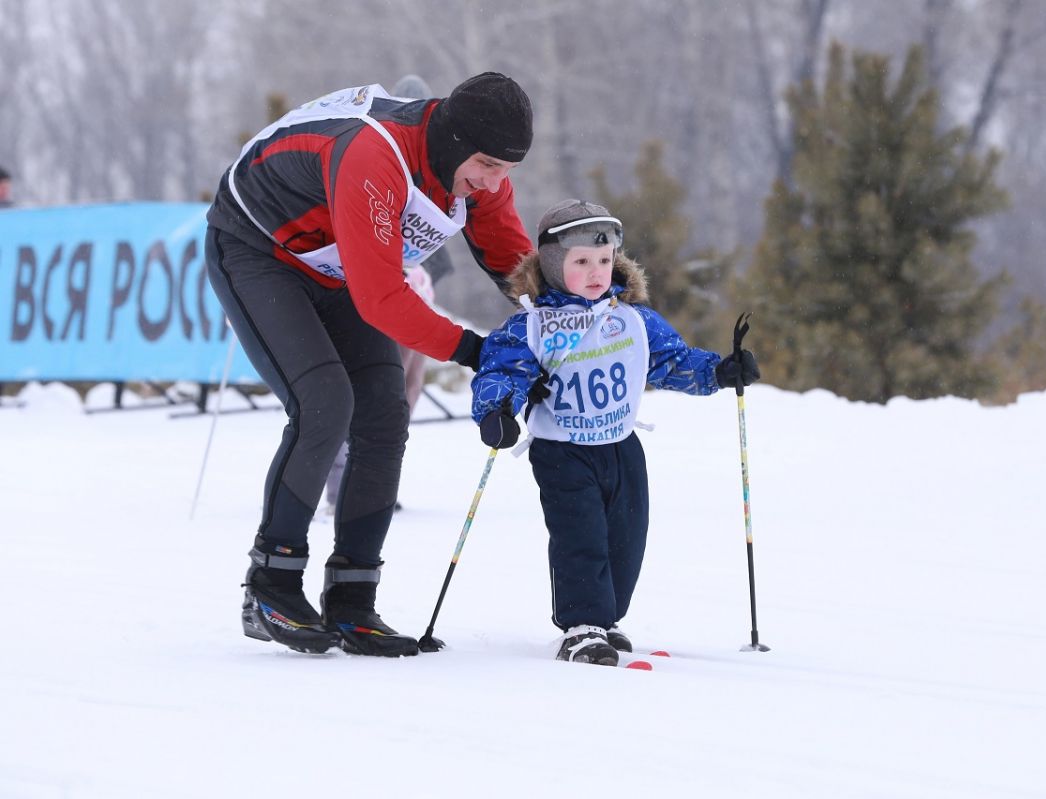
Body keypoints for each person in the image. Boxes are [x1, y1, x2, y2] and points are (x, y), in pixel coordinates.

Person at [204, 72, 534, 658]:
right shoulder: (373, 154)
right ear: (455, 142)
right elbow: (381, 300)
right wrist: (479, 353)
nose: (492, 183)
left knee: (384, 413)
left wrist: (568, 320)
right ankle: (271, 584)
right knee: (325, 403)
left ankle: (353, 598)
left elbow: (514, 264)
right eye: (486, 164)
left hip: (333, 264)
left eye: (507, 170)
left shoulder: (480, 171)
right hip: (258, 250)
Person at [470, 200, 761, 665]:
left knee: (626, 538)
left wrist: (720, 372)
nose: (595, 272)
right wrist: (498, 409)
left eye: (604, 261)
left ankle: (605, 618)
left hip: (621, 446)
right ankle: (582, 625)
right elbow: (502, 371)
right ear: (551, 263)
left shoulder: (632, 318)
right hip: (563, 449)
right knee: (580, 536)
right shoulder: (533, 324)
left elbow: (670, 361)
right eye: (581, 262)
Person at [322, 75, 458, 513]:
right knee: (370, 392)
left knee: (407, 390)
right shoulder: (379, 148)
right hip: (377, 290)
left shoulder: (438, 159)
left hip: (418, 288)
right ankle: (344, 485)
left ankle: (378, 480)